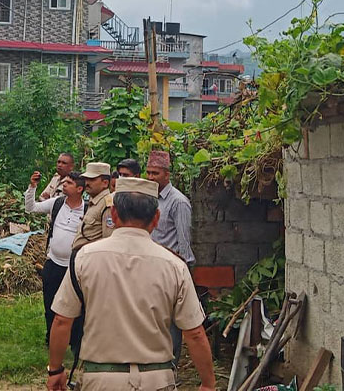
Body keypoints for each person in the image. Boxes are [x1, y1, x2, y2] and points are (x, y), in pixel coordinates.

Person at [46, 177, 216, 391]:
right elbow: (195, 333)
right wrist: (208, 384)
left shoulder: (84, 258)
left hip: (101, 380)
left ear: (114, 215)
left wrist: (56, 370)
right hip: (156, 380)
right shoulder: (175, 266)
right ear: (156, 218)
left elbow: (62, 320)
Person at [25, 170, 86, 352]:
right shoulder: (57, 203)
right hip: (53, 264)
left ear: (80, 189)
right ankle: (52, 339)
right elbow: (31, 208)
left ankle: (75, 342)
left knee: (76, 306)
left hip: (74, 268)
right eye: (64, 182)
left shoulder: (88, 209)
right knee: (50, 303)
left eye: (68, 183)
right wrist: (32, 188)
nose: (63, 184)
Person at [145, 150, 195, 363]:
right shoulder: (150, 200)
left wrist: (182, 275)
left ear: (167, 174)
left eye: (155, 173)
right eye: (148, 173)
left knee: (172, 322)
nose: (150, 177)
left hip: (171, 270)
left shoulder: (178, 202)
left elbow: (184, 244)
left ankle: (171, 365)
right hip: (150, 267)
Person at [70, 163, 115, 252]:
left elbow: (108, 240)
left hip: (90, 257)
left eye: (91, 179)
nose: (86, 183)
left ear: (105, 183)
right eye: (86, 179)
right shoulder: (94, 201)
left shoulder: (107, 204)